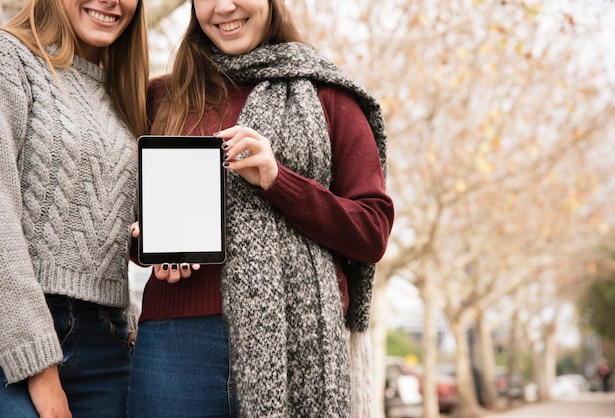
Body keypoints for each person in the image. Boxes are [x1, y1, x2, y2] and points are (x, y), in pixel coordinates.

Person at [126, 0, 394, 417]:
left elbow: (372, 232)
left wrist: (277, 180)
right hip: (175, 345)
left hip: (297, 342)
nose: (224, 7)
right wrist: (146, 244)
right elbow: (125, 219)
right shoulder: (161, 96)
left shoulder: (329, 96)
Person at [0, 0, 149, 417]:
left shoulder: (124, 93)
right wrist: (40, 369)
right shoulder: (9, 59)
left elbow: (101, 227)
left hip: (108, 342)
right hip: (15, 337)